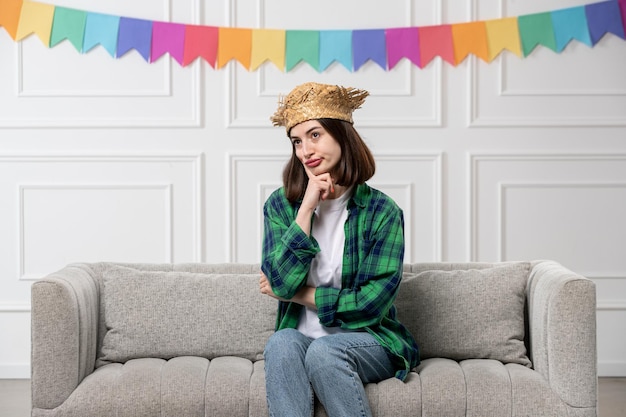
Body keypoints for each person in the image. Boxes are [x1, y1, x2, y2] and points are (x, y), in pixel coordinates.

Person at [259, 82, 419, 417]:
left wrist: (299, 295)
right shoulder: (281, 206)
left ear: (341, 136)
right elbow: (282, 280)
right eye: (297, 141)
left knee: (325, 352)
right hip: (303, 337)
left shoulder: (382, 212)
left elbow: (370, 305)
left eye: (315, 135)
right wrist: (305, 210)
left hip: (370, 340)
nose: (305, 150)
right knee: (281, 343)